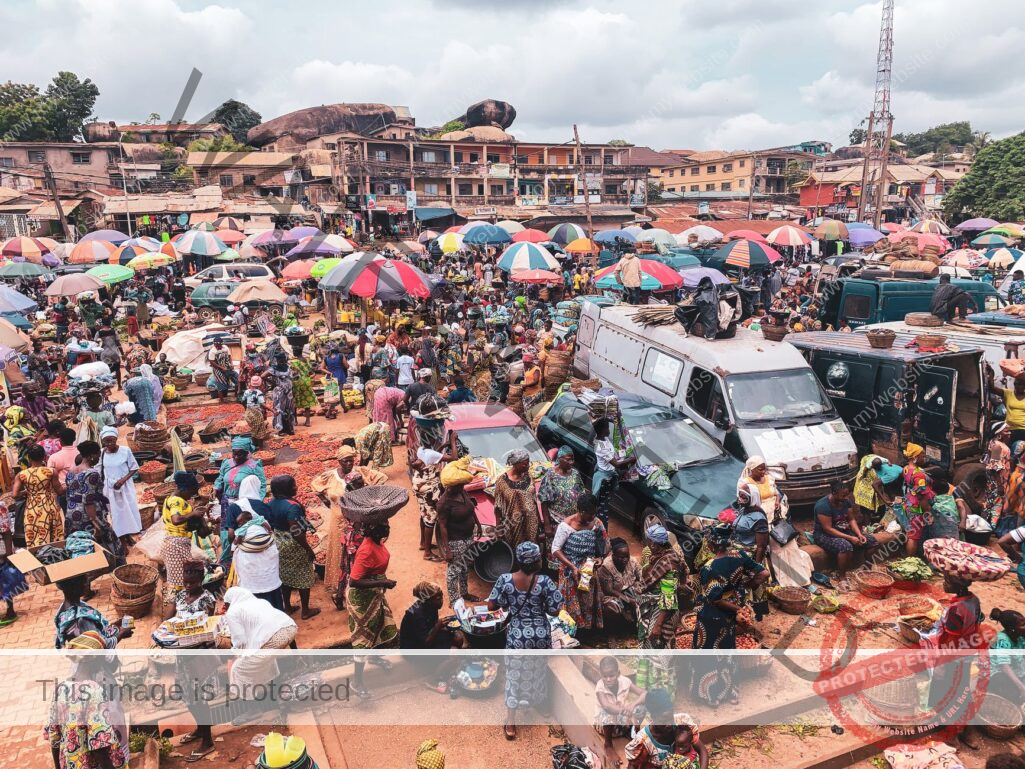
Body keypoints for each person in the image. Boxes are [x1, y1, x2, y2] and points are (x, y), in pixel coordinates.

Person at [487, 541, 564, 740]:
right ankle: (541, 705)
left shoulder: (505, 579)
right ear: (536, 561)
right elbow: (555, 610)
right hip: (540, 635)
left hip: (517, 636)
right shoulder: (545, 582)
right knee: (537, 672)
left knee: (514, 676)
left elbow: (492, 605)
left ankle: (511, 723)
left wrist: (509, 602)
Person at [691, 525, 769, 708]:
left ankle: (711, 696)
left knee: (707, 651)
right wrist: (744, 587)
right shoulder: (740, 556)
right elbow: (764, 574)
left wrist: (735, 609)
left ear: (711, 543)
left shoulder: (709, 568)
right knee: (727, 649)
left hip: (713, 615)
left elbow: (715, 600)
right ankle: (731, 693)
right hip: (731, 614)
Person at [45, 634, 130, 769]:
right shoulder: (95, 692)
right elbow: (99, 746)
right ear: (94, 658)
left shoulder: (60, 688)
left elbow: (54, 737)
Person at [163, 559, 220, 761]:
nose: (188, 587)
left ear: (201, 580)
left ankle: (207, 741)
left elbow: (203, 629)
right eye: (186, 583)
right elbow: (168, 619)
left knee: (199, 698)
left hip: (198, 656)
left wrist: (183, 628)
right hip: (182, 655)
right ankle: (199, 729)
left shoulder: (207, 599)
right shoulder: (180, 596)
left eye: (192, 583)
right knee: (188, 697)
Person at [926, 573, 985, 750]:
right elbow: (978, 621)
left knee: (946, 692)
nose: (943, 584)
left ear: (954, 584)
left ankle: (950, 735)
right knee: (963, 690)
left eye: (946, 581)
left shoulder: (955, 609)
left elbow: (951, 640)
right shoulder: (974, 600)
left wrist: (941, 666)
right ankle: (967, 731)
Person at [737, 456, 812, 588]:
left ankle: (802, 579)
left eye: (764, 468)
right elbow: (744, 501)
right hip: (762, 518)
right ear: (752, 469)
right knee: (777, 548)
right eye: (760, 469)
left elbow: (776, 492)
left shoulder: (768, 479)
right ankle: (788, 581)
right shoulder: (745, 484)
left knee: (790, 544)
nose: (763, 472)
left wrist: (777, 501)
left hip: (777, 517)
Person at [635, 525, 688, 698]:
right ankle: (647, 693)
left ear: (655, 544)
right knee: (648, 651)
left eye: (649, 541)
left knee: (659, 653)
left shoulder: (669, 564)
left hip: (661, 613)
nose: (647, 544)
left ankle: (663, 696)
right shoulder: (662, 556)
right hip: (651, 609)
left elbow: (668, 597)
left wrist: (657, 625)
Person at [64, 441, 126, 588]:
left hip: (72, 514)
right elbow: (89, 502)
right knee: (114, 546)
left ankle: (83, 587)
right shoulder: (91, 474)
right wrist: (96, 525)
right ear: (92, 456)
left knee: (81, 548)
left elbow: (69, 493)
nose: (99, 457)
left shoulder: (72, 470)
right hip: (89, 516)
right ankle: (123, 579)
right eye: (98, 454)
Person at [347, 522, 398, 697]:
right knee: (362, 639)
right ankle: (357, 682)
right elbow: (354, 581)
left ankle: (374, 657)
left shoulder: (377, 541)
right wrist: (383, 582)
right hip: (362, 601)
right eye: (385, 528)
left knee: (378, 626)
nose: (388, 530)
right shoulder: (366, 550)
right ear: (375, 531)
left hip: (375, 594)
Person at [221, 587, 299, 697]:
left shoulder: (232, 612)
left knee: (238, 669)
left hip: (275, 638)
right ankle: (278, 693)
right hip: (290, 628)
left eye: (226, 604)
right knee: (266, 659)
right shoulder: (259, 602)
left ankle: (253, 707)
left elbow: (240, 641)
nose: (225, 607)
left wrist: (232, 657)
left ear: (231, 601)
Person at [552, 491, 608, 632]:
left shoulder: (596, 523)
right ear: (581, 511)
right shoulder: (566, 526)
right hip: (569, 569)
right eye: (590, 513)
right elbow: (555, 549)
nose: (593, 517)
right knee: (571, 602)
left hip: (588, 567)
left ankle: (587, 629)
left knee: (586, 598)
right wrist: (572, 566)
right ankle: (571, 631)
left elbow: (603, 541)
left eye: (594, 513)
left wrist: (600, 558)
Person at [399, 581, 469, 694]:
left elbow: (431, 627)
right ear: (427, 600)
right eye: (438, 598)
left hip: (427, 638)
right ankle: (432, 681)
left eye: (441, 596)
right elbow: (425, 643)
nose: (442, 600)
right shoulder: (415, 614)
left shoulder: (431, 606)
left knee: (458, 637)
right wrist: (438, 626)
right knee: (454, 653)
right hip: (413, 648)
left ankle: (446, 668)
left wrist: (448, 628)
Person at [266, 475, 320, 619]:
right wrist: (308, 549)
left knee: (285, 575)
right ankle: (306, 610)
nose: (296, 488)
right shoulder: (292, 506)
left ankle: (288, 607)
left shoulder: (271, 503)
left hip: (278, 541)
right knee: (304, 574)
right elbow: (296, 532)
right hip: (293, 543)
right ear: (286, 489)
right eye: (293, 486)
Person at [813, 481, 879, 588]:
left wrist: (859, 534)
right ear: (834, 493)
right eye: (843, 495)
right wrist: (850, 538)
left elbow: (851, 519)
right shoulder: (823, 506)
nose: (846, 497)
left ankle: (867, 569)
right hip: (824, 534)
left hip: (843, 530)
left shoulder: (846, 501)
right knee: (845, 546)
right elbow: (828, 529)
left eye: (847, 494)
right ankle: (842, 576)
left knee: (872, 541)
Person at [437, 456, 482, 604]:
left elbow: (470, 507)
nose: (462, 486)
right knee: (454, 571)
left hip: (468, 537)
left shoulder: (461, 493)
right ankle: (454, 599)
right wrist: (447, 549)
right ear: (451, 486)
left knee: (464, 567)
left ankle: (464, 593)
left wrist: (478, 524)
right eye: (460, 485)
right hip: (455, 540)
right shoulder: (444, 503)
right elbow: (442, 525)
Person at [53, 575, 132, 649]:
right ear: (73, 587)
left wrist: (113, 626)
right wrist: (122, 633)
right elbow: (100, 647)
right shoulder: (81, 620)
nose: (87, 584)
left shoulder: (65, 608)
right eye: (84, 582)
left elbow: (95, 633)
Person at [594, 656, 648, 766]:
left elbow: (645, 694)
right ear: (601, 674)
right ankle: (608, 745)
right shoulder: (600, 686)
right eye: (605, 676)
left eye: (612, 675)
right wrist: (627, 712)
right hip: (604, 726)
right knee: (608, 712)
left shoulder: (625, 681)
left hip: (620, 725)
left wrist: (632, 705)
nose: (608, 679)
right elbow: (606, 706)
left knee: (641, 708)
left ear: (618, 673)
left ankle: (630, 732)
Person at [160, 471, 201, 603]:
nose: (190, 497)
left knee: (180, 583)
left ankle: (176, 608)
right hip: (175, 545)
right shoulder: (176, 501)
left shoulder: (170, 499)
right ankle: (173, 613)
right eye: (191, 492)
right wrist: (193, 514)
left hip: (175, 543)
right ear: (184, 489)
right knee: (182, 585)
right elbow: (176, 520)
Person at [13, 443, 63, 547]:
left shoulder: (22, 475)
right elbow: (60, 491)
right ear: (44, 456)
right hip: (49, 505)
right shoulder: (51, 472)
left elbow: (15, 494)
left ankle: (37, 556)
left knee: (34, 532)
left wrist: (26, 492)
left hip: (32, 507)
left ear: (29, 458)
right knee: (53, 532)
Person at [98, 426, 141, 547]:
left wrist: (123, 480)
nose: (109, 443)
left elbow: (134, 468)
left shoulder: (125, 450)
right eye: (106, 441)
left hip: (125, 486)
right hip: (110, 489)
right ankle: (122, 539)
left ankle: (127, 535)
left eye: (111, 440)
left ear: (116, 439)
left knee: (128, 511)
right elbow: (98, 470)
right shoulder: (101, 454)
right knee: (116, 514)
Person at [494, 448, 540, 550]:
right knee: (514, 552)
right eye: (524, 464)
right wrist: (498, 528)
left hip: (530, 525)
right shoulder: (502, 482)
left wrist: (539, 524)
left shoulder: (528, 477)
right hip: (512, 526)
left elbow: (534, 502)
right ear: (516, 463)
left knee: (530, 554)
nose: (527, 466)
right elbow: (498, 507)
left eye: (528, 463)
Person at [538, 445, 587, 540]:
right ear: (559, 459)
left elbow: (582, 495)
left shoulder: (575, 474)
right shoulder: (550, 476)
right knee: (557, 546)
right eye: (568, 459)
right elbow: (544, 502)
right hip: (557, 521)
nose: (571, 462)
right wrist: (547, 525)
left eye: (573, 459)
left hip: (573, 521)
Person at [593, 419, 635, 527]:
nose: (609, 429)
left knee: (606, 506)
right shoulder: (600, 446)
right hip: (604, 479)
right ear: (602, 430)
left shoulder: (605, 439)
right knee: (602, 510)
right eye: (607, 427)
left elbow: (614, 454)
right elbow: (616, 464)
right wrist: (632, 459)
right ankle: (602, 533)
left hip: (610, 474)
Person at [213, 437, 267, 520]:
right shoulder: (227, 463)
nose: (237, 457)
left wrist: (257, 502)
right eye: (234, 453)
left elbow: (262, 486)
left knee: (242, 527)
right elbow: (220, 478)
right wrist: (216, 488)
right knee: (229, 525)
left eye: (240, 454)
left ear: (247, 453)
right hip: (227, 501)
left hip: (245, 504)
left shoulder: (254, 466)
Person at [597, 537, 642, 627]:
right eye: (621, 557)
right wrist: (630, 601)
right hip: (613, 596)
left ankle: (635, 622)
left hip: (630, 592)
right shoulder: (606, 566)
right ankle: (616, 628)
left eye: (627, 556)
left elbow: (641, 577)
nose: (625, 559)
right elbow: (609, 590)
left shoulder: (632, 561)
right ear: (614, 556)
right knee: (612, 609)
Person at [902, 443, 935, 556]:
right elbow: (922, 498)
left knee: (911, 532)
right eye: (922, 455)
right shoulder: (919, 475)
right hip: (917, 508)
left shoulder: (906, 469)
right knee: (914, 537)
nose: (924, 458)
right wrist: (928, 513)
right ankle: (910, 559)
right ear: (915, 457)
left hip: (908, 502)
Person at [0, 497, 27, 625]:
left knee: (5, 580)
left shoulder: (1, 507)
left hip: (1, 550)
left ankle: (10, 611)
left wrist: (9, 554)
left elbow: (6, 533)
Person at [989, 608, 1025, 704]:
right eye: (1023, 625)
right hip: (999, 672)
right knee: (1016, 698)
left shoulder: (1021, 636)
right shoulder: (1002, 640)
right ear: (1012, 628)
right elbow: (1004, 666)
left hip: (1018, 669)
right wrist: (1022, 687)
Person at [852, 454, 896, 523]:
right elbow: (875, 485)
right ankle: (867, 525)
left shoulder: (884, 463)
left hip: (873, 482)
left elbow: (884, 485)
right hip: (865, 484)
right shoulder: (870, 468)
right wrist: (885, 500)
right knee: (866, 506)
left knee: (880, 505)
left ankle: (881, 522)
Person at [268, 354, 297, 435]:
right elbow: (263, 376)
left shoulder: (288, 368)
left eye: (283, 360)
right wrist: (273, 383)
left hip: (289, 392)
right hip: (279, 392)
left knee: (289, 409)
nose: (281, 361)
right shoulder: (273, 369)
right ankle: (281, 429)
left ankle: (289, 428)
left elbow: (293, 376)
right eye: (280, 360)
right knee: (279, 409)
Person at [239, 376, 272, 446]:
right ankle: (260, 448)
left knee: (254, 430)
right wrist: (273, 410)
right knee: (260, 430)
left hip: (248, 413)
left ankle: (254, 446)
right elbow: (263, 404)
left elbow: (242, 401)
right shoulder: (259, 392)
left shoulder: (246, 391)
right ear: (259, 384)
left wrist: (247, 409)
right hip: (256, 413)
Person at [207, 338, 236, 403]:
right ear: (214, 345)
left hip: (227, 367)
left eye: (219, 346)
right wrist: (221, 367)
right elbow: (212, 362)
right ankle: (222, 401)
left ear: (222, 344)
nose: (218, 347)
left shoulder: (225, 347)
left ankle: (234, 396)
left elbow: (229, 356)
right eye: (216, 346)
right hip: (218, 370)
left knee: (235, 378)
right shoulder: (212, 351)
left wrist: (231, 364)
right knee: (220, 384)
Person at [1004, 375, 1025, 445]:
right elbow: (992, 388)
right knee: (1008, 451)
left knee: (1020, 452)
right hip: (1009, 429)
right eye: (1018, 384)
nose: (1021, 386)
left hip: (1023, 430)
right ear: (1014, 384)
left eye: (1023, 384)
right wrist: (991, 372)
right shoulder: (1008, 393)